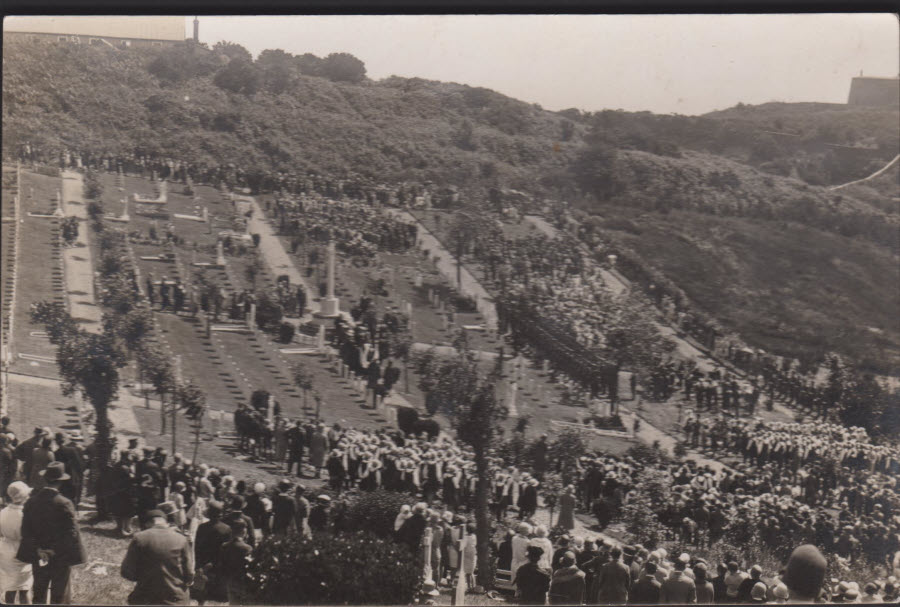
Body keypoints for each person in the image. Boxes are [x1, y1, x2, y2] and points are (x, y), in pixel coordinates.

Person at [120, 509, 194, 605]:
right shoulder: (181, 539)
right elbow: (190, 573)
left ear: (147, 524)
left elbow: (126, 571)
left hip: (146, 597)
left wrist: (144, 578)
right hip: (176, 599)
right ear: (166, 523)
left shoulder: (139, 537)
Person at [0, 482, 33, 604]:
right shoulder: (26, 514)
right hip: (22, 550)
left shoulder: (3, 512)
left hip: (5, 551)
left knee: (10, 587)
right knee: (24, 588)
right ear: (24, 496)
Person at [193, 501, 231, 604]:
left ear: (209, 514)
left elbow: (197, 547)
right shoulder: (226, 529)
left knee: (203, 588)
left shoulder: (202, 527)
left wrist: (198, 564)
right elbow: (226, 550)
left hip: (204, 562)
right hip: (218, 563)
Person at [216, 518, 253, 605]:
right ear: (244, 531)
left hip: (230, 581)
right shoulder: (247, 548)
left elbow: (221, 565)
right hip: (242, 582)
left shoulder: (225, 546)